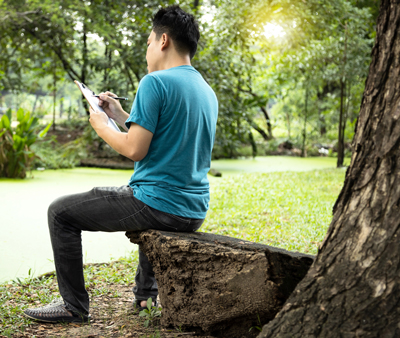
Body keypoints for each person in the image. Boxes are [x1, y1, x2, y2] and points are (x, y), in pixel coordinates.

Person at [23, 5, 218, 323]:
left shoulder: (155, 83)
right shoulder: (205, 90)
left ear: (163, 40)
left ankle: (74, 306)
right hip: (192, 208)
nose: (148, 50)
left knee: (60, 212)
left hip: (158, 205)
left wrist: (101, 124)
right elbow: (164, 140)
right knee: (147, 194)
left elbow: (135, 150)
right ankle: (146, 297)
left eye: (148, 43)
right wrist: (119, 116)